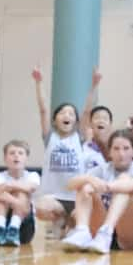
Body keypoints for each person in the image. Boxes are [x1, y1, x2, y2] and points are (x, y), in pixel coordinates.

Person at [29, 64, 103, 235]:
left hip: (76, 198)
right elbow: (43, 110)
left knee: (75, 235)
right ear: (55, 120)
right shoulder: (50, 137)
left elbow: (86, 111)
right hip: (54, 198)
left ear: (76, 122)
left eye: (71, 114)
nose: (67, 116)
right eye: (62, 113)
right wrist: (39, 83)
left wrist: (94, 85)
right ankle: (61, 219)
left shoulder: (79, 137)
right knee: (39, 208)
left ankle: (70, 223)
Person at [0, 139, 40, 247]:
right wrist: (18, 203)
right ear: (5, 159)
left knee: (22, 193)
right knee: (0, 199)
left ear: (26, 159)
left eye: (20, 153)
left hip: (24, 226)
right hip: (2, 216)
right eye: (12, 153)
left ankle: (14, 229)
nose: (16, 156)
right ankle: (0, 227)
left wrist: (8, 186)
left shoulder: (33, 175)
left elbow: (30, 188)